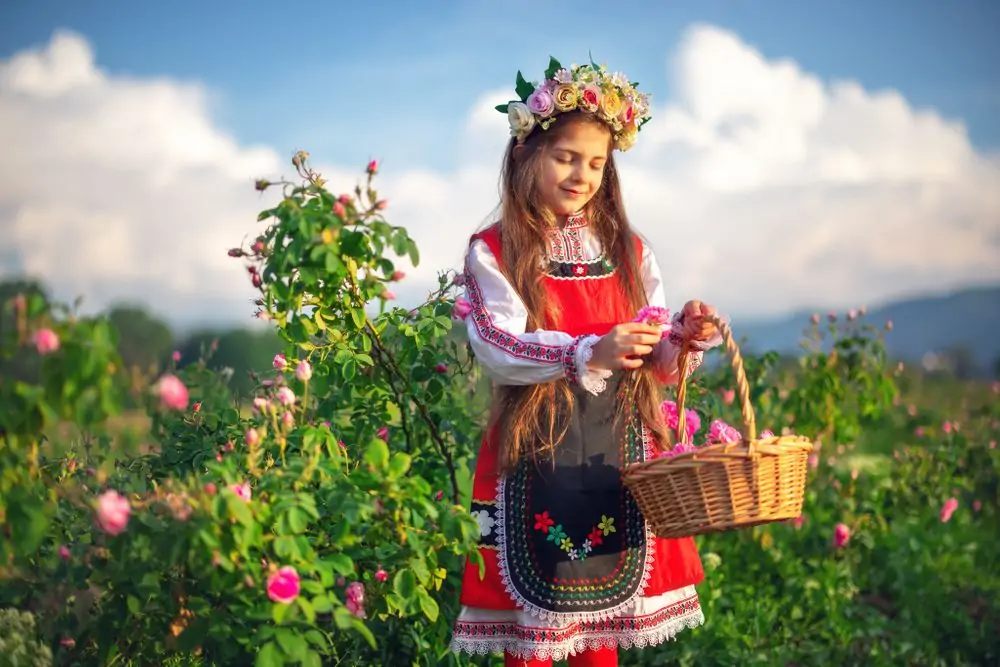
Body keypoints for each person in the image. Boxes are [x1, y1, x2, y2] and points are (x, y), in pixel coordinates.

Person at [449, 57, 724, 667]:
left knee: (599, 637)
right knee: (537, 640)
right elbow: (498, 345)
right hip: (537, 449)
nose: (583, 174)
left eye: (597, 162)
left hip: (616, 452)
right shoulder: (495, 249)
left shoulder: (631, 250)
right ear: (526, 155)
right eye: (566, 156)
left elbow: (654, 359)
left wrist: (682, 337)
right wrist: (586, 352)